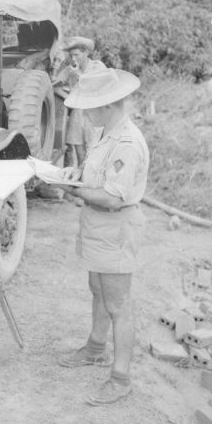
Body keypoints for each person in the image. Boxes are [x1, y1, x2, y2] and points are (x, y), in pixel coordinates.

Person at [55, 61, 149, 406]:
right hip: (97, 224)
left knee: (118, 303)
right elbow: (94, 171)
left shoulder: (127, 142)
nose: (85, 114)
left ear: (108, 105)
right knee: (97, 288)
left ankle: (121, 378)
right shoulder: (104, 133)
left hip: (115, 224)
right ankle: (95, 348)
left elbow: (112, 197)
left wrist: (74, 190)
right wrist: (74, 173)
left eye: (89, 107)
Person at [52, 36, 95, 167]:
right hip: (77, 113)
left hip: (94, 114)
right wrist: (69, 99)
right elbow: (53, 86)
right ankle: (82, 177)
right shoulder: (69, 69)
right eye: (71, 55)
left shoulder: (97, 67)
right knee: (80, 153)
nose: (73, 58)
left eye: (76, 55)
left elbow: (100, 89)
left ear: (86, 52)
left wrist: (79, 76)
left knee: (94, 150)